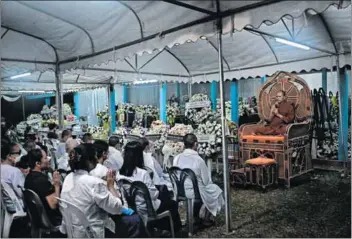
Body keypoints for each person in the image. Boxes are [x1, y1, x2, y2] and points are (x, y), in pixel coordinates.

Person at [60, 144, 144, 238]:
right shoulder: (93, 183)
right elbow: (117, 209)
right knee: (135, 220)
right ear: (89, 161)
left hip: (73, 231)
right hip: (93, 233)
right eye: (95, 156)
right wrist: (111, 186)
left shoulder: (68, 178)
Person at [118, 141, 182, 235]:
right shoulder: (142, 173)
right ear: (139, 155)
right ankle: (175, 231)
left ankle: (156, 228)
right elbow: (154, 195)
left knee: (164, 199)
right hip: (147, 208)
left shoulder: (119, 173)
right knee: (172, 203)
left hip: (132, 207)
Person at [173, 133, 224, 226]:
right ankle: (206, 219)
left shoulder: (177, 157)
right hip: (195, 192)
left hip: (179, 190)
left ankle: (195, 217)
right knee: (216, 190)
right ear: (195, 144)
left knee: (204, 188)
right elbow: (206, 181)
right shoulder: (198, 160)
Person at [24, 149, 62, 226]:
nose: (48, 159)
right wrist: (57, 185)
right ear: (38, 163)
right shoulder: (41, 181)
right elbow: (54, 205)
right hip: (50, 219)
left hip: (36, 218)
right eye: (45, 158)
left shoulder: (29, 177)